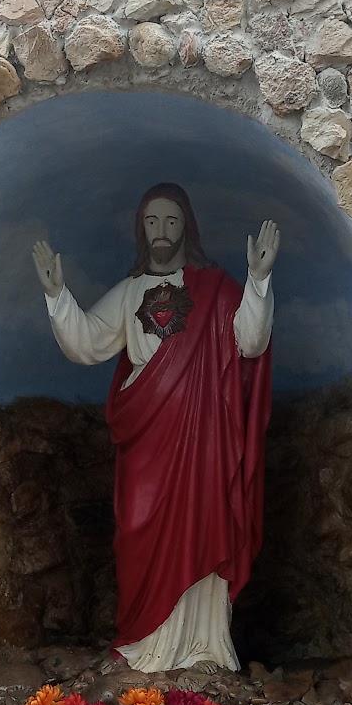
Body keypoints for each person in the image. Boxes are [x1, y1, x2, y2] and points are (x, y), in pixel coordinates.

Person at [33, 183, 278, 672]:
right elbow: (88, 342)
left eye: (170, 220)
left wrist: (258, 278)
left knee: (203, 525)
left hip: (204, 436)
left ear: (187, 226)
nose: (161, 230)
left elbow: (250, 342)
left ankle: (203, 646)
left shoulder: (215, 289)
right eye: (151, 221)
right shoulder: (129, 292)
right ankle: (143, 644)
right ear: (140, 229)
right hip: (147, 435)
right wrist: (57, 294)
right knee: (137, 530)